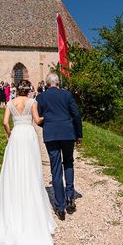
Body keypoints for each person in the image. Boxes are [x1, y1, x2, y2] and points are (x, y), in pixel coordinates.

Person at [0, 81, 57, 245]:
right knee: (31, 168)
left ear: (17, 89)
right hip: (28, 135)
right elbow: (37, 120)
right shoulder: (32, 102)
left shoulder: (10, 103)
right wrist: (46, 117)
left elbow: (4, 122)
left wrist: (9, 133)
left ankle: (13, 200)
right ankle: (29, 195)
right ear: (28, 90)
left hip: (17, 134)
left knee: (13, 168)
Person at [35, 72, 83, 221]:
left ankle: (60, 207)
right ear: (58, 83)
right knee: (68, 162)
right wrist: (78, 134)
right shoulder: (67, 95)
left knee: (55, 168)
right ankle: (70, 196)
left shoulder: (41, 97)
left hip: (51, 135)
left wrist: (48, 126)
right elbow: (76, 115)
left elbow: (39, 118)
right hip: (68, 133)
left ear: (47, 83)